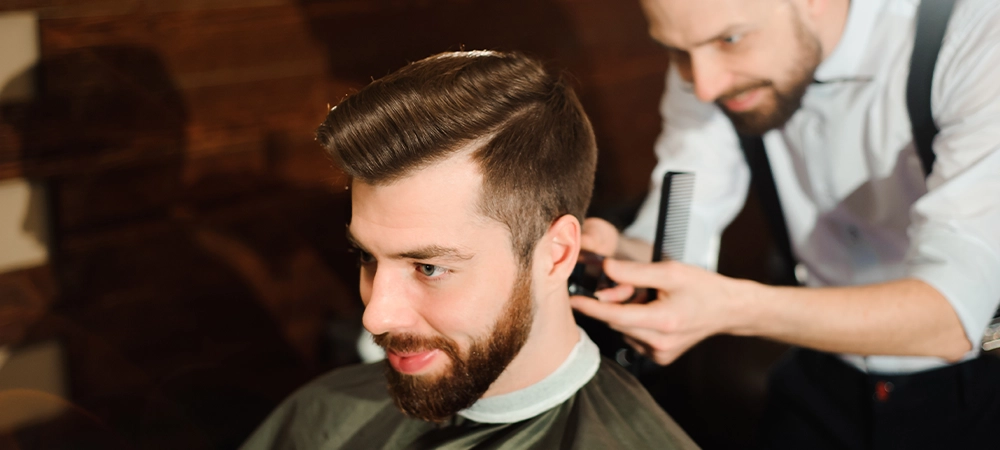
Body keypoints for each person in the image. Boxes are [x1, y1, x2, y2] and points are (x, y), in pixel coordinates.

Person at [570, 0, 1000, 448]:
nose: (704, 86)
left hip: (975, 384)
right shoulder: (707, 59)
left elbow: (950, 317)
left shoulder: (977, 39)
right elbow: (687, 210)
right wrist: (626, 257)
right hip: (822, 370)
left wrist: (733, 308)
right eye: (676, 51)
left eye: (730, 39)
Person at [239, 50, 698, 450]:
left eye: (428, 267)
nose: (375, 316)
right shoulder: (323, 410)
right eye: (367, 257)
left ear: (556, 254)